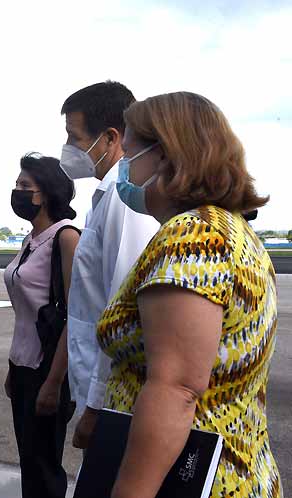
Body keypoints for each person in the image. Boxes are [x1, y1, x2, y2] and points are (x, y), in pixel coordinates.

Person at [99, 92, 281, 498]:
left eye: (129, 155)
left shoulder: (194, 237)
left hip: (192, 481)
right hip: (234, 468)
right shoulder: (231, 230)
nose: (123, 169)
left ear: (164, 155)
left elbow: (176, 388)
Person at [58, 81, 160, 449]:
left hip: (114, 400)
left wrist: (97, 407)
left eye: (74, 136)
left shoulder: (124, 200)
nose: (69, 148)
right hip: (99, 389)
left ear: (110, 138)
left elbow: (124, 308)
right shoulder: (105, 196)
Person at [4, 153, 80, 498]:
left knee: (45, 465)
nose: (17, 192)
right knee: (29, 460)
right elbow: (25, 313)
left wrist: (54, 381)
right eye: (17, 184)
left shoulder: (65, 237)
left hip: (49, 369)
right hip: (23, 366)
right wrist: (12, 368)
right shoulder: (30, 240)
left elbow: (75, 314)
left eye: (25, 186)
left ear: (46, 193)